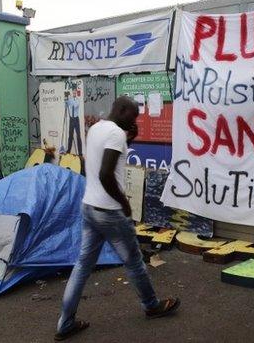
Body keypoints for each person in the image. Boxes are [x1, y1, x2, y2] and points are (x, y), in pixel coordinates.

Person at [55, 96, 180, 341]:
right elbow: (105, 174)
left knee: (82, 267)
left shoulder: (96, 129)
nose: (134, 120)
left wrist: (129, 135)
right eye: (132, 116)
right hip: (110, 212)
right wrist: (124, 203)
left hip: (89, 207)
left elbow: (108, 159)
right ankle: (151, 305)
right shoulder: (115, 134)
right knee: (134, 262)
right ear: (121, 110)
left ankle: (64, 323)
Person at [65, 89, 83, 155]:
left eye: (75, 92)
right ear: (72, 93)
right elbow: (66, 106)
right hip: (71, 119)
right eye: (73, 92)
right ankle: (68, 150)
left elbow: (75, 106)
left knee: (78, 136)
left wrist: (69, 101)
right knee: (70, 136)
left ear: (76, 93)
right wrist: (66, 100)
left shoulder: (77, 100)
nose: (74, 93)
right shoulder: (70, 99)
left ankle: (80, 152)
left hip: (76, 119)